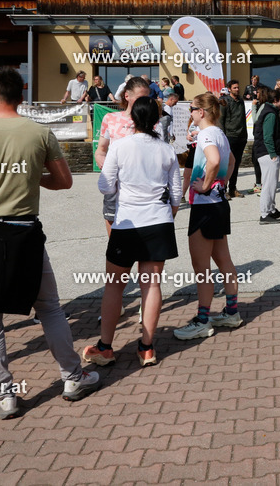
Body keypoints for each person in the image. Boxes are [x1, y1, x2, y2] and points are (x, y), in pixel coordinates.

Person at [0, 68, 100, 419]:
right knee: (49, 308)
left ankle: (4, 395)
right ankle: (73, 378)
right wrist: (30, 178)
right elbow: (63, 182)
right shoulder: (40, 133)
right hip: (23, 232)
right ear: (22, 96)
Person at [85, 98, 181, 368]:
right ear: (156, 119)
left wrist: (120, 189)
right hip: (158, 222)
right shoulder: (167, 150)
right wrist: (168, 214)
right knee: (151, 285)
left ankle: (105, 347)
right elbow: (176, 194)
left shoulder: (120, 146)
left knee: (115, 285)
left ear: (132, 119)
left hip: (127, 222)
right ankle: (147, 348)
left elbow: (105, 186)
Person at [173, 92, 243, 340]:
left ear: (201, 112)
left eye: (191, 108)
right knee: (224, 261)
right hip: (219, 204)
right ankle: (231, 312)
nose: (190, 112)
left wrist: (205, 186)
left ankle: (203, 320)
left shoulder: (205, 134)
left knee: (201, 267)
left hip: (205, 206)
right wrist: (220, 183)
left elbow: (214, 160)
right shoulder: (220, 134)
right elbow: (231, 160)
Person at [96, 77, 152, 235]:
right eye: (141, 98)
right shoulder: (111, 119)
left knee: (143, 243)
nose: (145, 102)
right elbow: (100, 150)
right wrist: (107, 168)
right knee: (116, 244)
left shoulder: (153, 122)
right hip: (115, 187)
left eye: (148, 97)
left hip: (144, 188)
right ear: (127, 96)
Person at [252, 87, 280, 224]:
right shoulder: (271, 114)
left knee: (271, 183)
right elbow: (267, 136)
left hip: (264, 152)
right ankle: (265, 214)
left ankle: (271, 210)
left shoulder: (268, 110)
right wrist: (273, 154)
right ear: (275, 100)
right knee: (269, 185)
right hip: (267, 153)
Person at [219, 79, 247, 198]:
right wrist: (223, 138)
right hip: (229, 136)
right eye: (235, 88)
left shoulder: (240, 101)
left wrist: (245, 135)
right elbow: (221, 121)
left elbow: (243, 119)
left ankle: (233, 188)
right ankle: (223, 189)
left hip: (241, 136)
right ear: (229, 89)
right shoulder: (224, 101)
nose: (237, 89)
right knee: (227, 164)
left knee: (236, 164)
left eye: (238, 87)